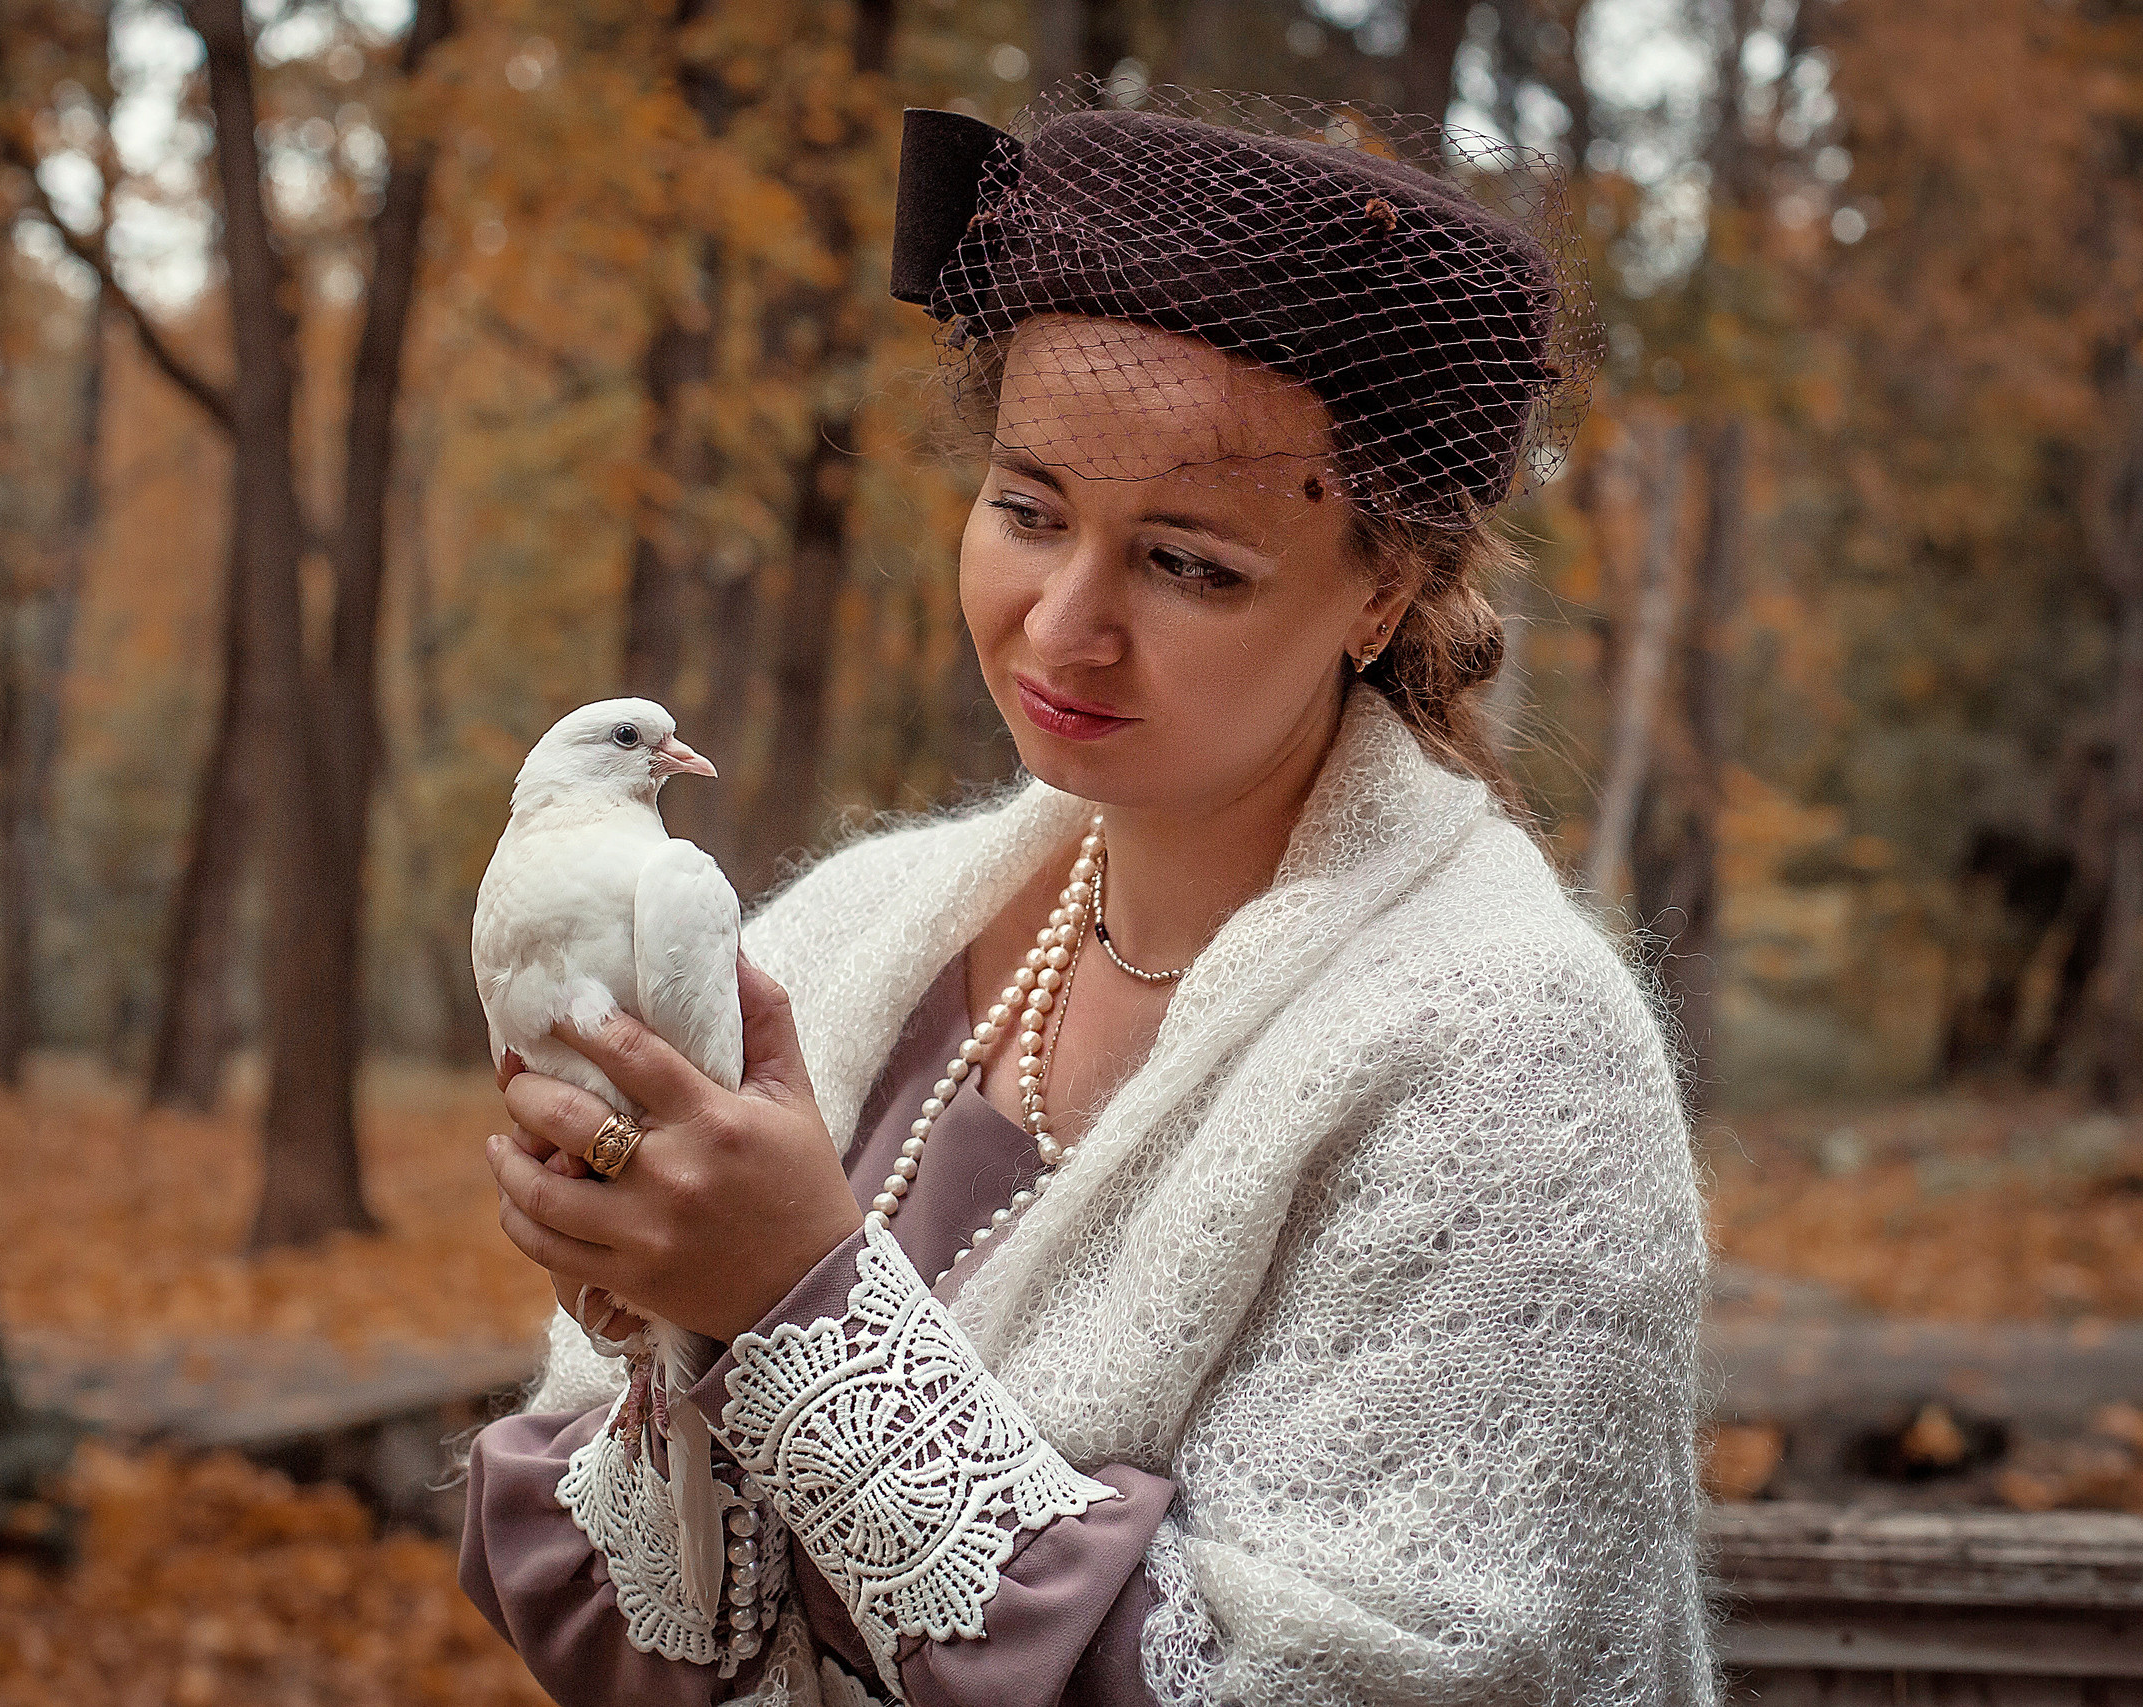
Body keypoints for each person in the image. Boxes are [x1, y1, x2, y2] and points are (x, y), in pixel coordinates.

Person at [459, 83, 1713, 1707]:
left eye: (1190, 562)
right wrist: (660, 1311)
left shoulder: (1512, 1070)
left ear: (1383, 591)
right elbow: (617, 1593)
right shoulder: (841, 941)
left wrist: (797, 1307)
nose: (1063, 627)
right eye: (1029, 510)